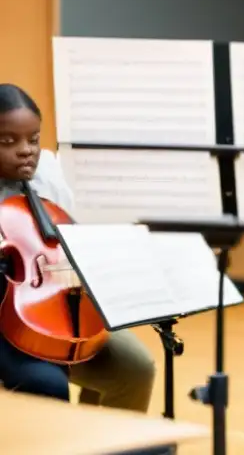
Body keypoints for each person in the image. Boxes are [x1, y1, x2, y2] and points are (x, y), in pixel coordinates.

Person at [0, 83, 156, 410]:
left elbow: (69, 246)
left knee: (137, 367)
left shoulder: (49, 173)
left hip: (58, 306)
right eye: (7, 142)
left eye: (33, 139)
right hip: (7, 322)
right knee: (48, 383)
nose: (26, 150)